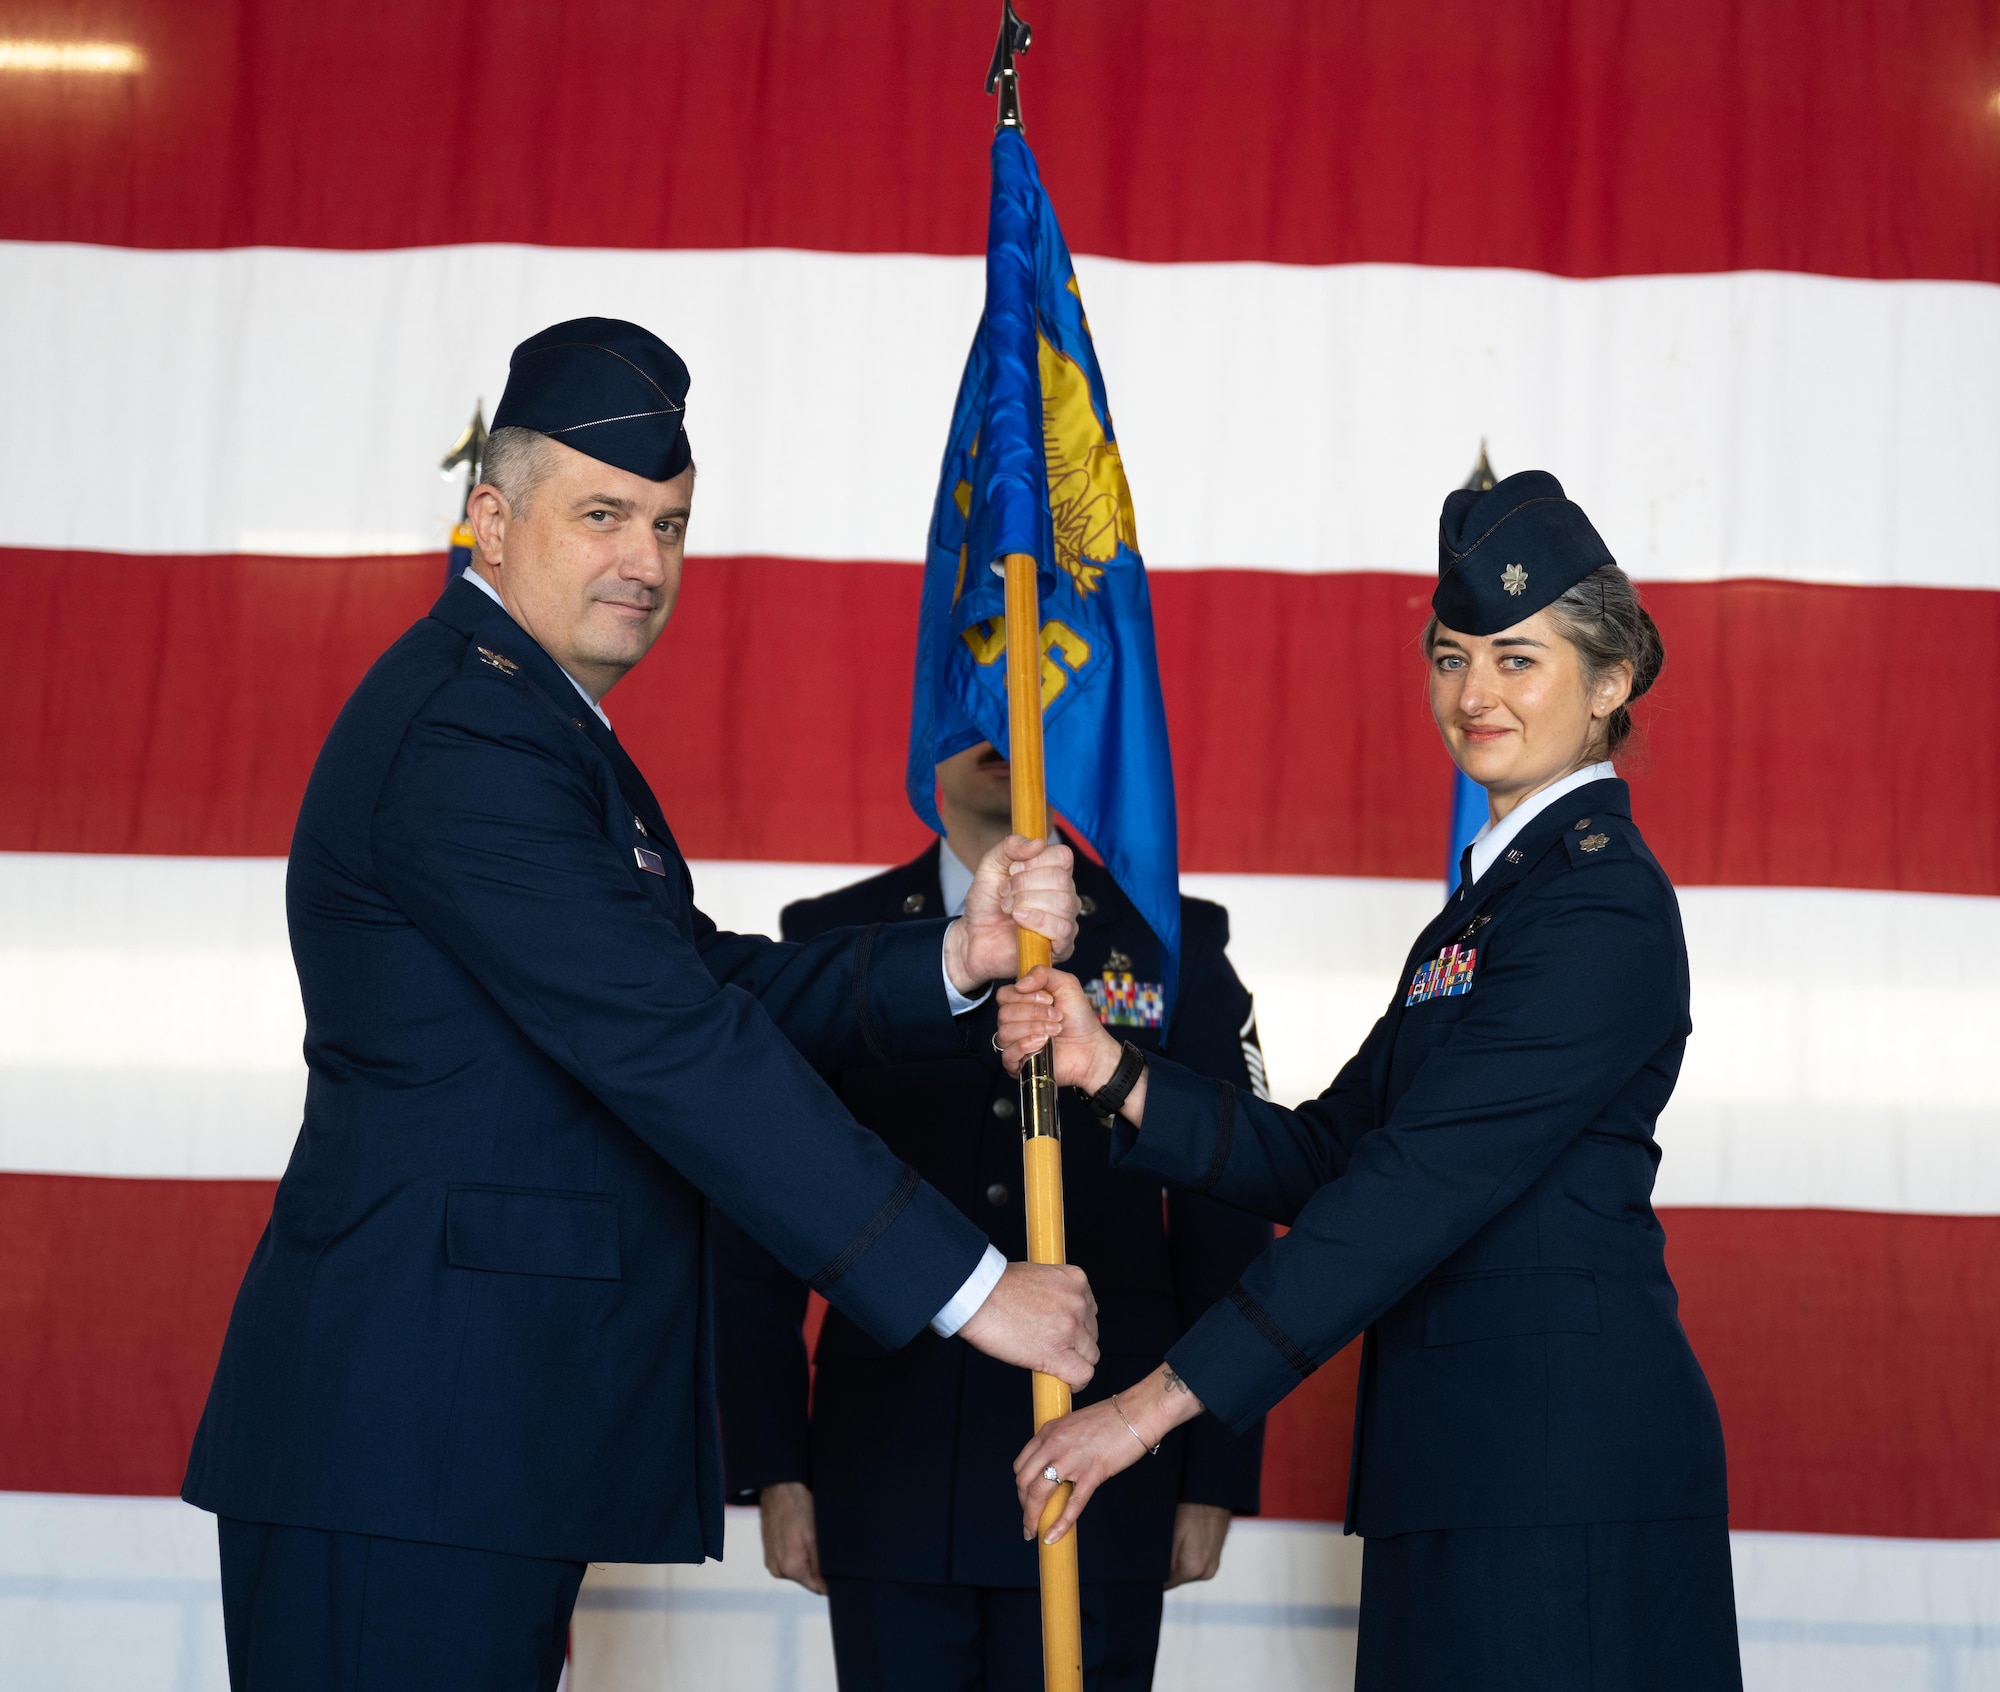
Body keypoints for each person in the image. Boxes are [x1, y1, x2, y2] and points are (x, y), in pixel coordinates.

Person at [181, 318, 1102, 1692]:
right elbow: (675, 1045)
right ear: (488, 520)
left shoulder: (535, 722)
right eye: (602, 515)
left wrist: (951, 962)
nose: (644, 563)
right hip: (407, 1441)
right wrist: (972, 1292)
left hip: (472, 1442)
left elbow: (695, 981)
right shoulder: (467, 732)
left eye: (670, 526)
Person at [996, 471, 1743, 1690]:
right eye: (1449, 658)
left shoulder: (1596, 902)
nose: (1472, 694)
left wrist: (1148, 1409)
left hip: (1562, 1478)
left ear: (1610, 685)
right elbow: (1330, 1152)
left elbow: (1408, 1191)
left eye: (1517, 659)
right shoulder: (1491, 903)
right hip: (1459, 1464)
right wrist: (1111, 1069)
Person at [715, 739, 1274, 1692]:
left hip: (1107, 1457)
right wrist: (774, 1463)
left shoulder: (1172, 936)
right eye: (968, 704)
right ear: (924, 736)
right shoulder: (828, 935)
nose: (997, 738)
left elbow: (1230, 1211)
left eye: (1021, 703)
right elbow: (758, 1215)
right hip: (889, 1460)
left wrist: (1215, 1463)